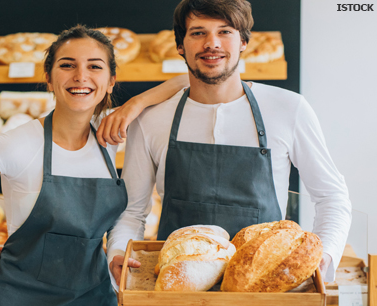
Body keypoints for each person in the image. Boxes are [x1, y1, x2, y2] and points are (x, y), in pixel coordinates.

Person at [0, 25, 186, 305]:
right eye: (67, 65)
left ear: (111, 81)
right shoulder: (17, 144)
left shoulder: (109, 134)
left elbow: (186, 81)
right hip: (16, 295)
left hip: (91, 295)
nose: (81, 76)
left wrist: (135, 103)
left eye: (95, 66)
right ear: (48, 77)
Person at [100, 0, 351, 285]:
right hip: (178, 288)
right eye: (197, 33)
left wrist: (325, 256)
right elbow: (133, 211)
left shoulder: (288, 110)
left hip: (264, 288)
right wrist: (118, 251)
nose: (212, 43)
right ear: (180, 45)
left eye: (225, 32)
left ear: (243, 41)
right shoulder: (152, 120)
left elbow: (331, 196)